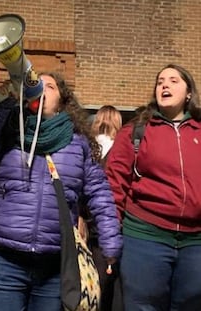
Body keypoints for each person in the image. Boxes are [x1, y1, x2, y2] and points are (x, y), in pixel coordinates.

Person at [0, 72, 123, 311]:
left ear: (62, 101)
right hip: (2, 259)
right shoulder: (9, 131)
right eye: (36, 84)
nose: (41, 88)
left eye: (49, 86)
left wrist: (110, 240)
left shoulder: (77, 142)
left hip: (54, 265)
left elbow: (99, 192)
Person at [105, 63, 201, 311]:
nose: (165, 85)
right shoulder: (135, 131)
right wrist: (110, 234)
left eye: (173, 80)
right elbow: (113, 185)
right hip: (145, 238)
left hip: (196, 243)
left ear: (189, 92)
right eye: (160, 82)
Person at [79, 105, 123, 311]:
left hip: (90, 223)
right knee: (113, 285)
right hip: (116, 222)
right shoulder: (122, 149)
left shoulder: (87, 147)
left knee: (91, 280)